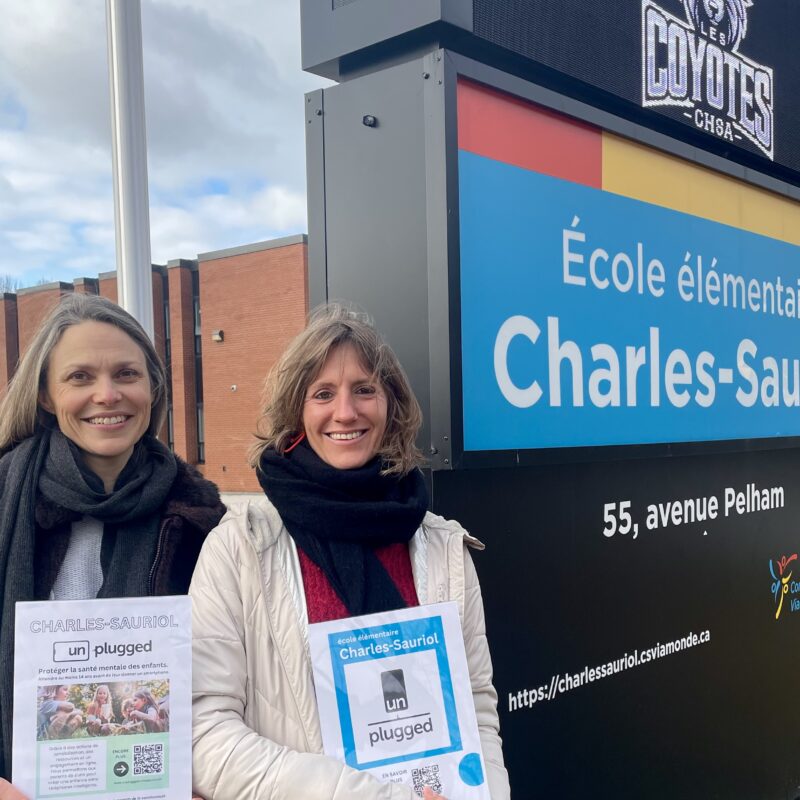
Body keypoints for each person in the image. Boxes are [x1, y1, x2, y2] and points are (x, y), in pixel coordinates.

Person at [191, 305, 510, 799]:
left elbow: (477, 709)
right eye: (323, 394)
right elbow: (205, 735)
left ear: (391, 405)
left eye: (364, 389)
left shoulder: (442, 546)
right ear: (297, 412)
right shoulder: (239, 549)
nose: (346, 412)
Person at [0, 294, 226, 795]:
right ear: (44, 394)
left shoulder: (203, 521)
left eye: (126, 374)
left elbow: (228, 678)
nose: (107, 395)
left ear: (152, 388)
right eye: (79, 377)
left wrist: (207, 774)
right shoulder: (4, 501)